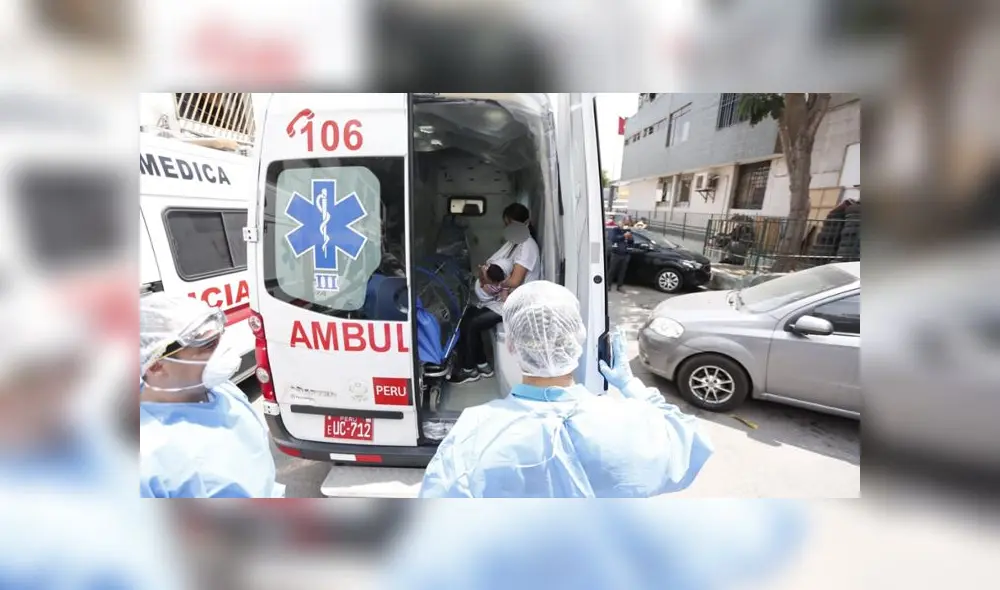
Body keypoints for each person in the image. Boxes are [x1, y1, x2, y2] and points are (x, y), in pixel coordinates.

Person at [420, 281, 712, 497]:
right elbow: (692, 442)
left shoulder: (474, 433)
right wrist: (631, 386)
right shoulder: (633, 424)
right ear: (579, 338)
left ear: (510, 345)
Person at [140, 293, 283, 498]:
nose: (223, 351)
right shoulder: (146, 455)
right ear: (156, 365)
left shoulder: (224, 392)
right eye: (208, 345)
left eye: (220, 339)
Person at [449, 202, 541, 385]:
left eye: (512, 224)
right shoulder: (516, 244)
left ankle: (469, 369)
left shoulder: (528, 246)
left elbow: (515, 281)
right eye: (507, 225)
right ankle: (481, 365)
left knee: (473, 323)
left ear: (526, 222)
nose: (509, 228)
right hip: (504, 299)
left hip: (517, 303)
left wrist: (491, 281)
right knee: (467, 317)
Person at [607, 227, 634, 292]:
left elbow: (631, 242)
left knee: (622, 272)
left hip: (625, 255)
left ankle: (620, 286)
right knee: (612, 270)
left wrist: (630, 238)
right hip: (616, 254)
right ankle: (608, 285)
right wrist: (624, 236)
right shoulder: (615, 230)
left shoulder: (628, 231)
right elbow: (614, 239)